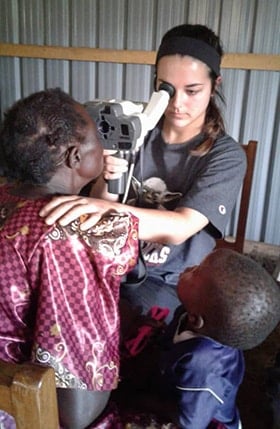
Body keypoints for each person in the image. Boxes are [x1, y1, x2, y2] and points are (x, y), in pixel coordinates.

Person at [39, 24, 247, 322]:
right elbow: (102, 198)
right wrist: (106, 178)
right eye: (166, 88)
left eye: (192, 91)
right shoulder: (133, 127)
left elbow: (179, 228)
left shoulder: (225, 156)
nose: (177, 104)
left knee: (111, 319)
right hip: (111, 262)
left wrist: (103, 208)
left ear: (215, 85)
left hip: (170, 280)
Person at [0, 88, 139, 429]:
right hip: (21, 410)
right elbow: (78, 411)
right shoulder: (65, 237)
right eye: (97, 138)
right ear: (76, 157)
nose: (104, 148)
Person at [158, 248, 280, 429]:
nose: (190, 266)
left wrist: (146, 402)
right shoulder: (193, 313)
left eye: (195, 272)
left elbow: (190, 422)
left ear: (196, 320)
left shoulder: (203, 365)